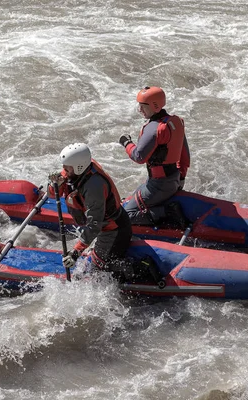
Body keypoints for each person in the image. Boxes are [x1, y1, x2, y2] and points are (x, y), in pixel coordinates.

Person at [48, 143, 133, 281]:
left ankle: (128, 269)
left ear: (78, 167)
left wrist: (76, 252)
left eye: (66, 168)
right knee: (94, 265)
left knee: (96, 272)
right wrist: (54, 185)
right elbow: (53, 194)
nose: (63, 170)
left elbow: (94, 225)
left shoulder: (94, 187)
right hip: (104, 227)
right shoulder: (75, 171)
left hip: (114, 230)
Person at [118, 86, 190, 227]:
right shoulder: (176, 122)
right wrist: (181, 178)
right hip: (172, 179)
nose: (140, 110)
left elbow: (139, 156)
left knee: (126, 216)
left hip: (159, 185)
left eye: (143, 106)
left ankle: (169, 212)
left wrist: (126, 143)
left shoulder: (154, 129)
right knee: (130, 198)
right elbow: (184, 154)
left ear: (154, 106)